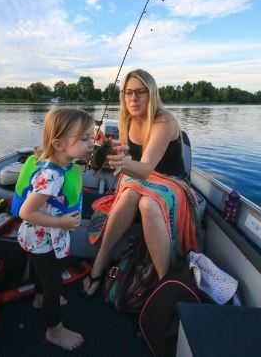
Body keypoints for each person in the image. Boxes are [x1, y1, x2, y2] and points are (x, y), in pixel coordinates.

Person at [81, 69, 199, 297]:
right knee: (129, 194)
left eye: (140, 92)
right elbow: (129, 154)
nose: (133, 98)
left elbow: (145, 169)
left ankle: (165, 284)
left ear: (151, 93)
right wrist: (108, 147)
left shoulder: (163, 120)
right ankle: (100, 262)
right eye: (128, 93)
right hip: (139, 179)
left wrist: (117, 161)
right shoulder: (127, 119)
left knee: (147, 203)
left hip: (171, 181)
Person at [17, 107, 94, 351]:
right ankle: (54, 330)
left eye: (91, 137)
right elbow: (26, 212)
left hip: (48, 238)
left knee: (46, 275)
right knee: (54, 285)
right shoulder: (51, 176)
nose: (91, 143)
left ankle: (39, 300)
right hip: (40, 239)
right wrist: (61, 223)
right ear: (59, 144)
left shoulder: (65, 166)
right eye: (85, 139)